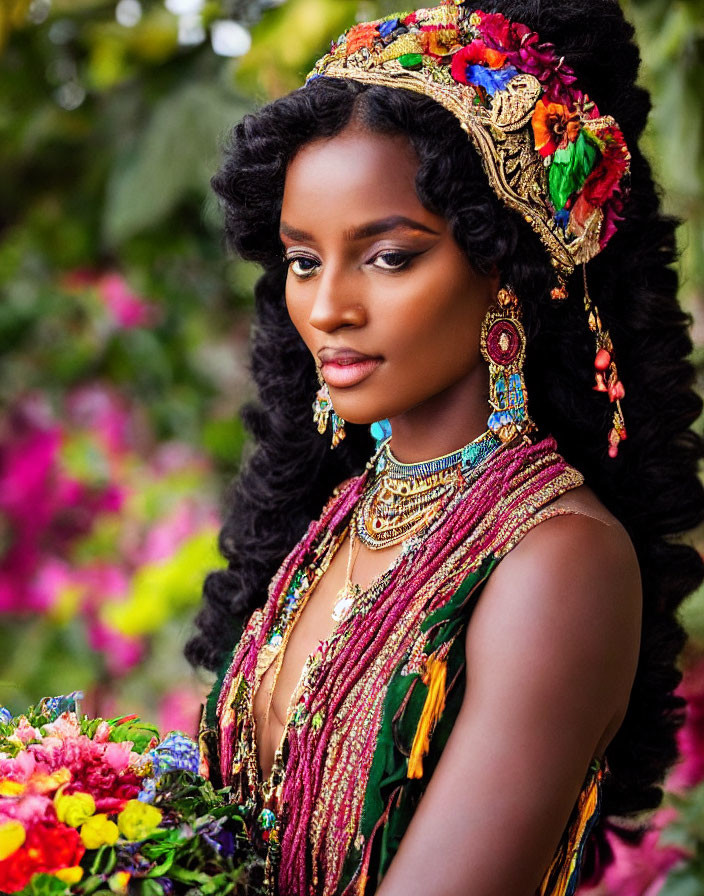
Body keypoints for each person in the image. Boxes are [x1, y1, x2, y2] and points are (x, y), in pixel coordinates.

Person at [186, 1, 704, 893]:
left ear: (505, 266)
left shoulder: (558, 560)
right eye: (304, 260)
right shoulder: (347, 513)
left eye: (387, 256)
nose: (327, 308)